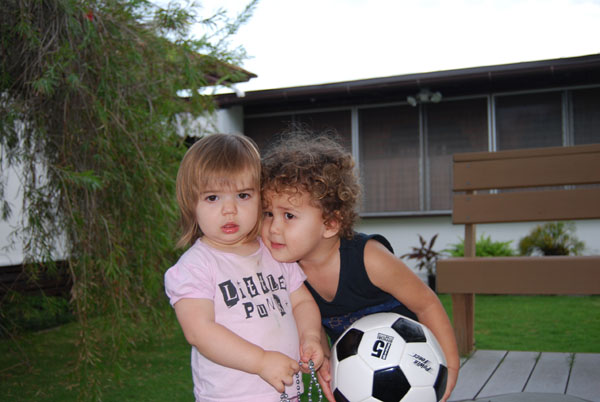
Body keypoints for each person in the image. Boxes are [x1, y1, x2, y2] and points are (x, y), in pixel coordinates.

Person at [260, 132, 459, 402]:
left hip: (413, 366)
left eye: (288, 215)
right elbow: (314, 322)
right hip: (358, 376)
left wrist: (450, 365)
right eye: (268, 213)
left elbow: (427, 304)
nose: (273, 227)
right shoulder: (286, 270)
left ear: (330, 224)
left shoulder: (369, 258)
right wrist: (324, 358)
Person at [164, 133, 324, 402]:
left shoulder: (273, 252)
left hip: (286, 392)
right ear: (191, 203)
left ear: (260, 197)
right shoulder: (196, 266)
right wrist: (260, 361)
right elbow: (199, 331)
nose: (229, 209)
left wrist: (310, 336)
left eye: (243, 195)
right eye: (212, 198)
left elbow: (302, 303)